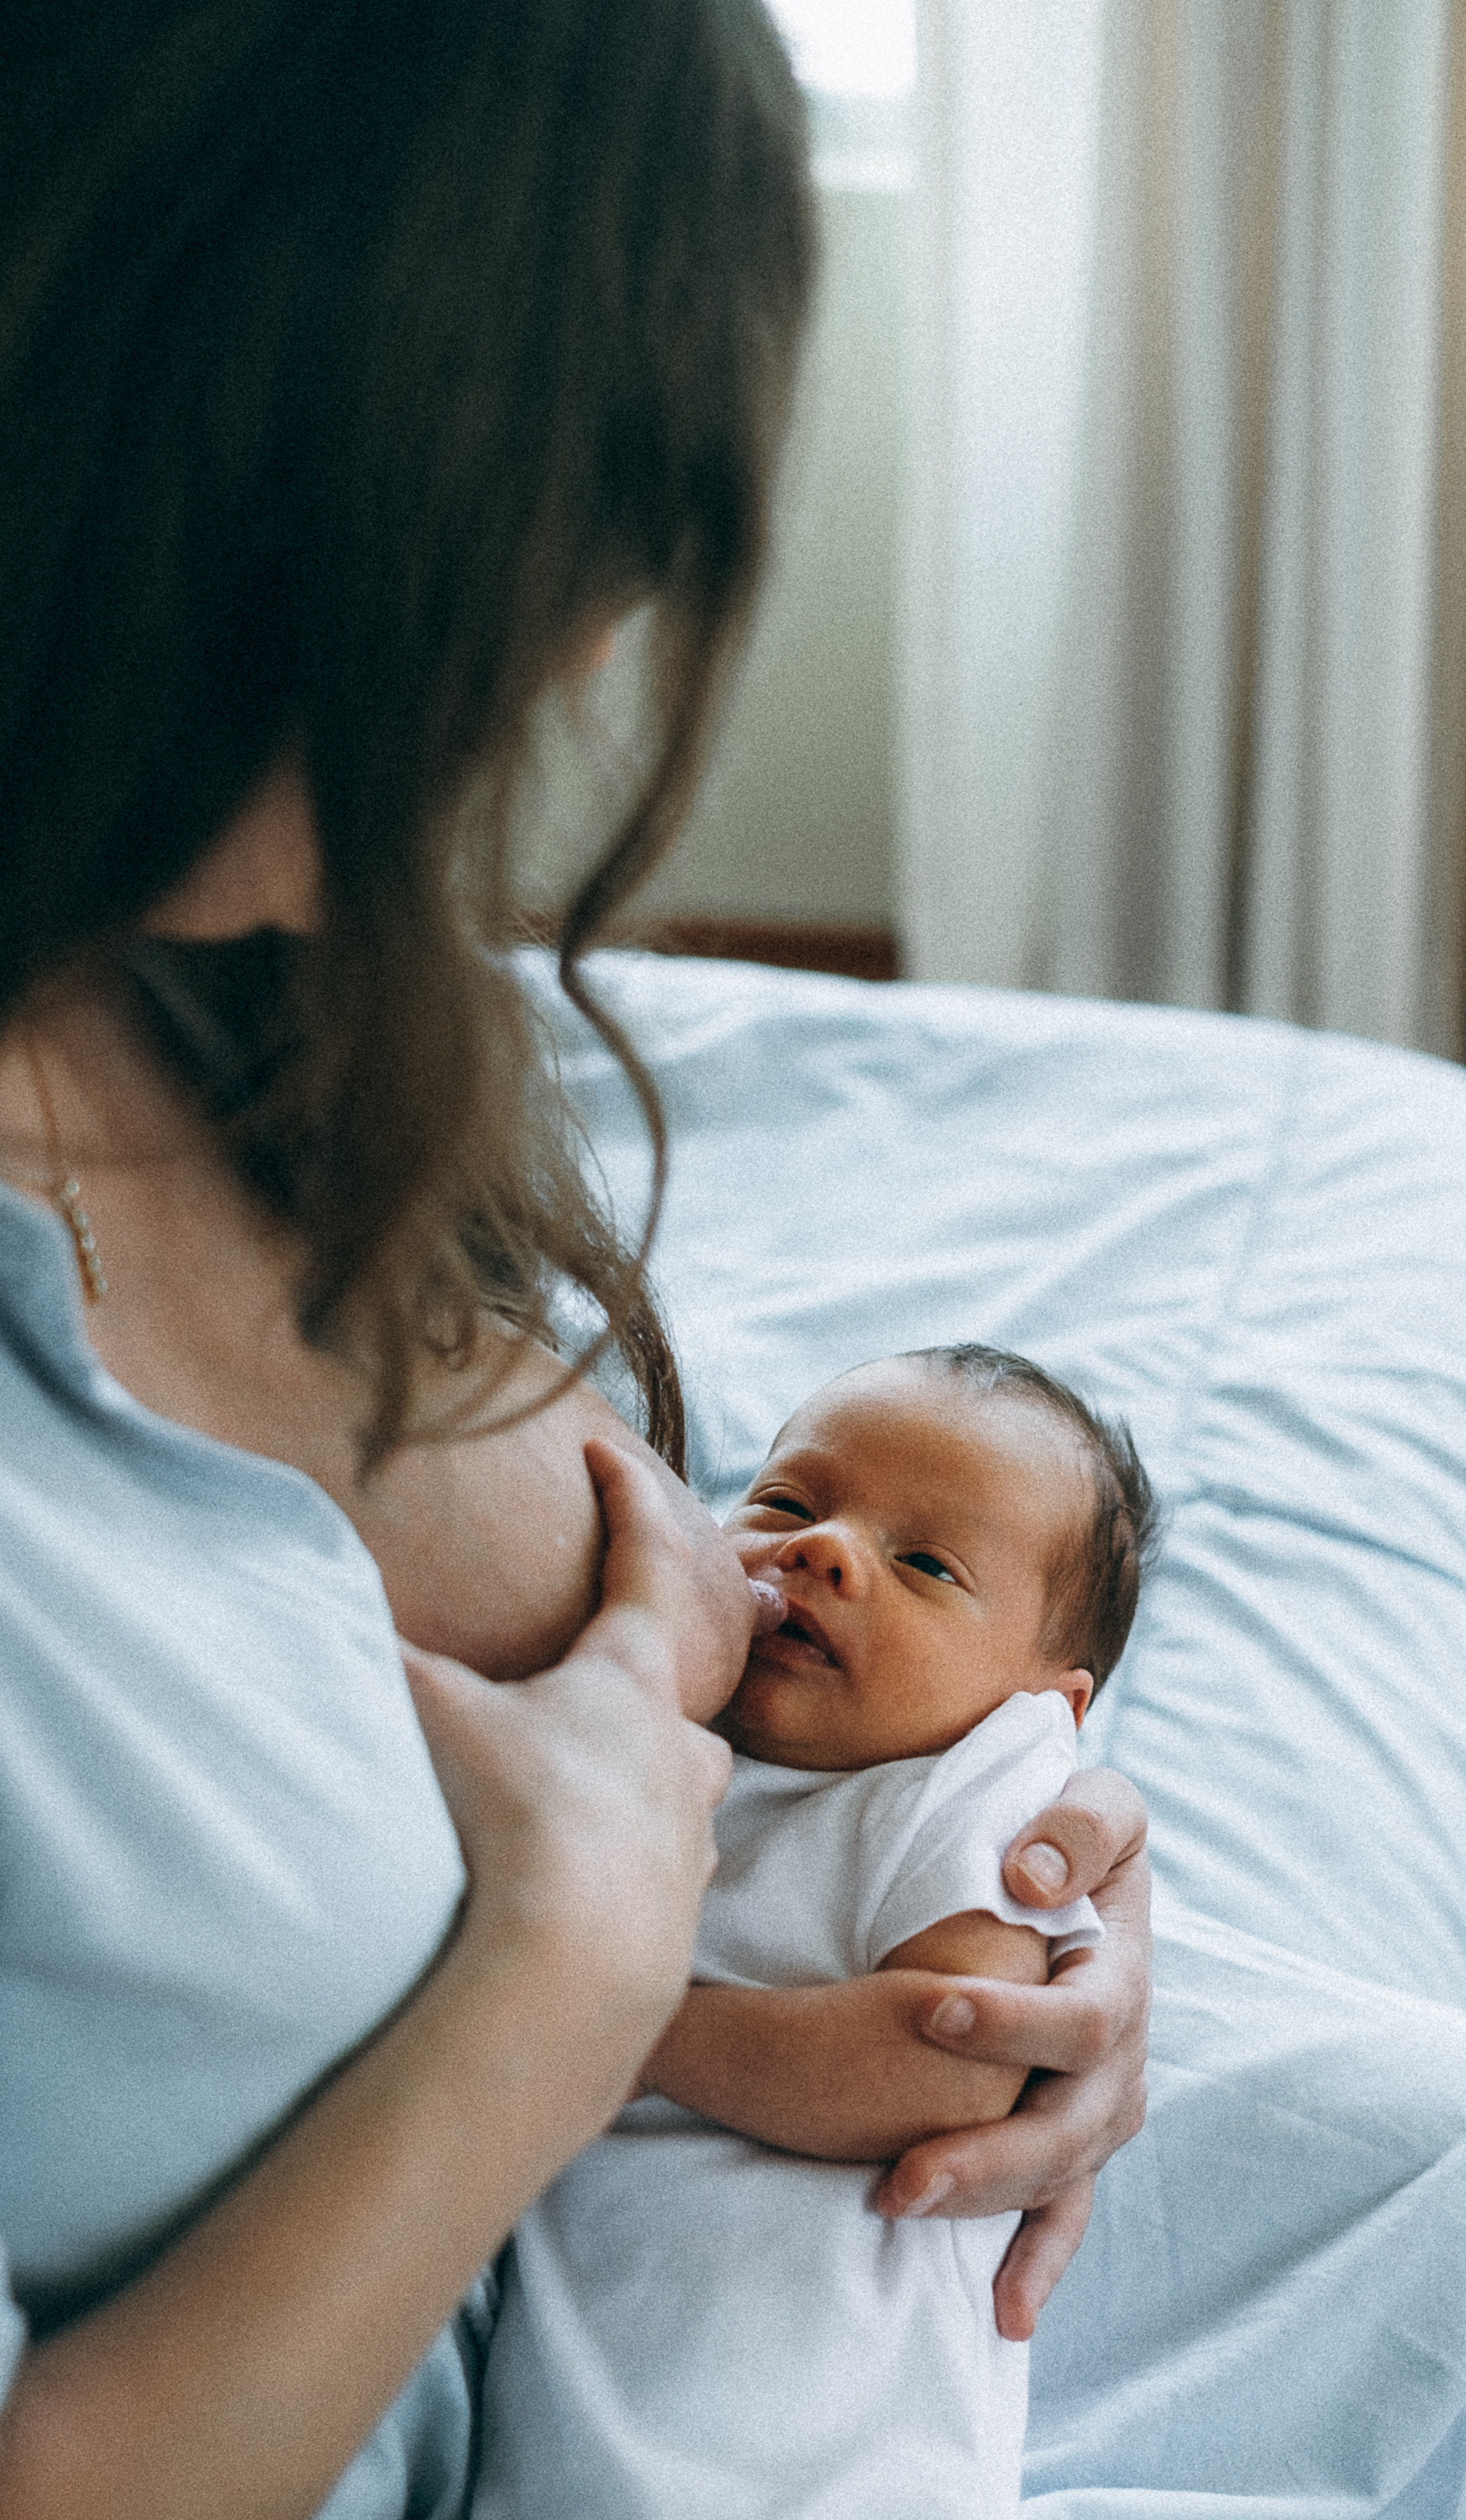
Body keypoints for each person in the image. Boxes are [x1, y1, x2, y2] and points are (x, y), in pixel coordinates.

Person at [0, 9, 1152, 2517]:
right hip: (519, 2313)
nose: (592, 655)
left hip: (680, 2220)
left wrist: (1005, 1875)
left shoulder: (213, 970)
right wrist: (580, 1977)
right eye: (570, 512)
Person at [476, 1346, 1158, 2520]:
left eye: (928, 1564)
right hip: (589, 2408)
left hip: (836, 2457)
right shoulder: (659, 1718)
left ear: (1051, 1703)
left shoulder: (976, 1781)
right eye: (787, 1503)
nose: (824, 1550)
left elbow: (953, 2066)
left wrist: (615, 2020)